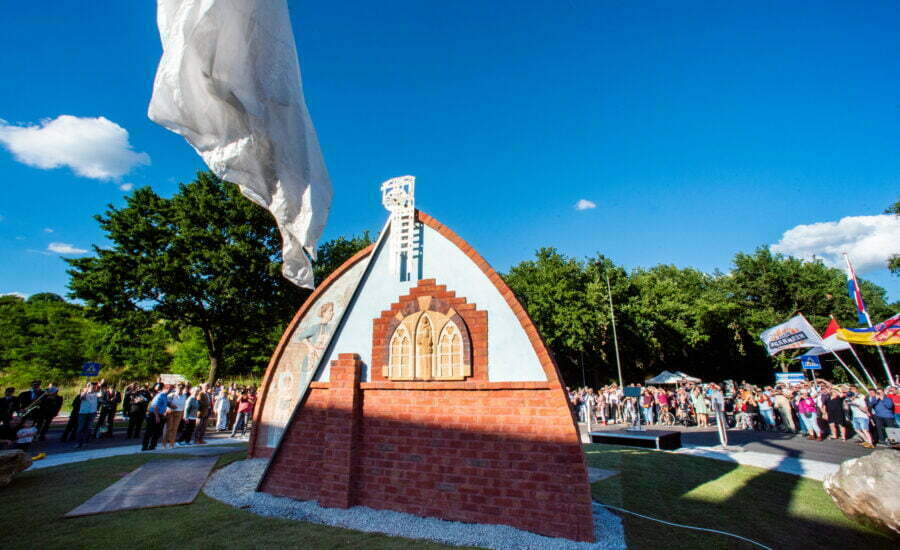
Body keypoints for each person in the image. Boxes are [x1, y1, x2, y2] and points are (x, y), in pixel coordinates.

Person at [142, 383, 169, 451]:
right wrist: (157, 417)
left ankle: (152, 446)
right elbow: (155, 406)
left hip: (160, 415)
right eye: (168, 388)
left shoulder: (165, 396)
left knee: (157, 432)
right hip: (154, 415)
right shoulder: (159, 396)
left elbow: (165, 403)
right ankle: (145, 446)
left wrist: (171, 406)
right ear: (164, 388)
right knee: (149, 431)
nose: (169, 390)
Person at [75, 381, 100, 448]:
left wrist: (99, 385)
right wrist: (86, 390)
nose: (92, 387)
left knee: (88, 428)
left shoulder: (95, 394)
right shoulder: (84, 393)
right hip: (83, 413)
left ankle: (85, 442)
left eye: (93, 387)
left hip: (92, 413)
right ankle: (78, 442)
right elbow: (81, 398)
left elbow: (101, 394)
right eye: (91, 386)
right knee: (81, 428)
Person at [163, 383, 188, 449]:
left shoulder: (184, 396)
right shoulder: (171, 395)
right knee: (169, 428)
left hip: (179, 412)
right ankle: (164, 444)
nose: (180, 390)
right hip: (171, 412)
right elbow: (166, 403)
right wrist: (170, 405)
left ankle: (171, 444)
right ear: (176, 388)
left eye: (182, 388)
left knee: (175, 429)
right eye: (179, 388)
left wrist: (183, 414)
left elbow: (184, 405)